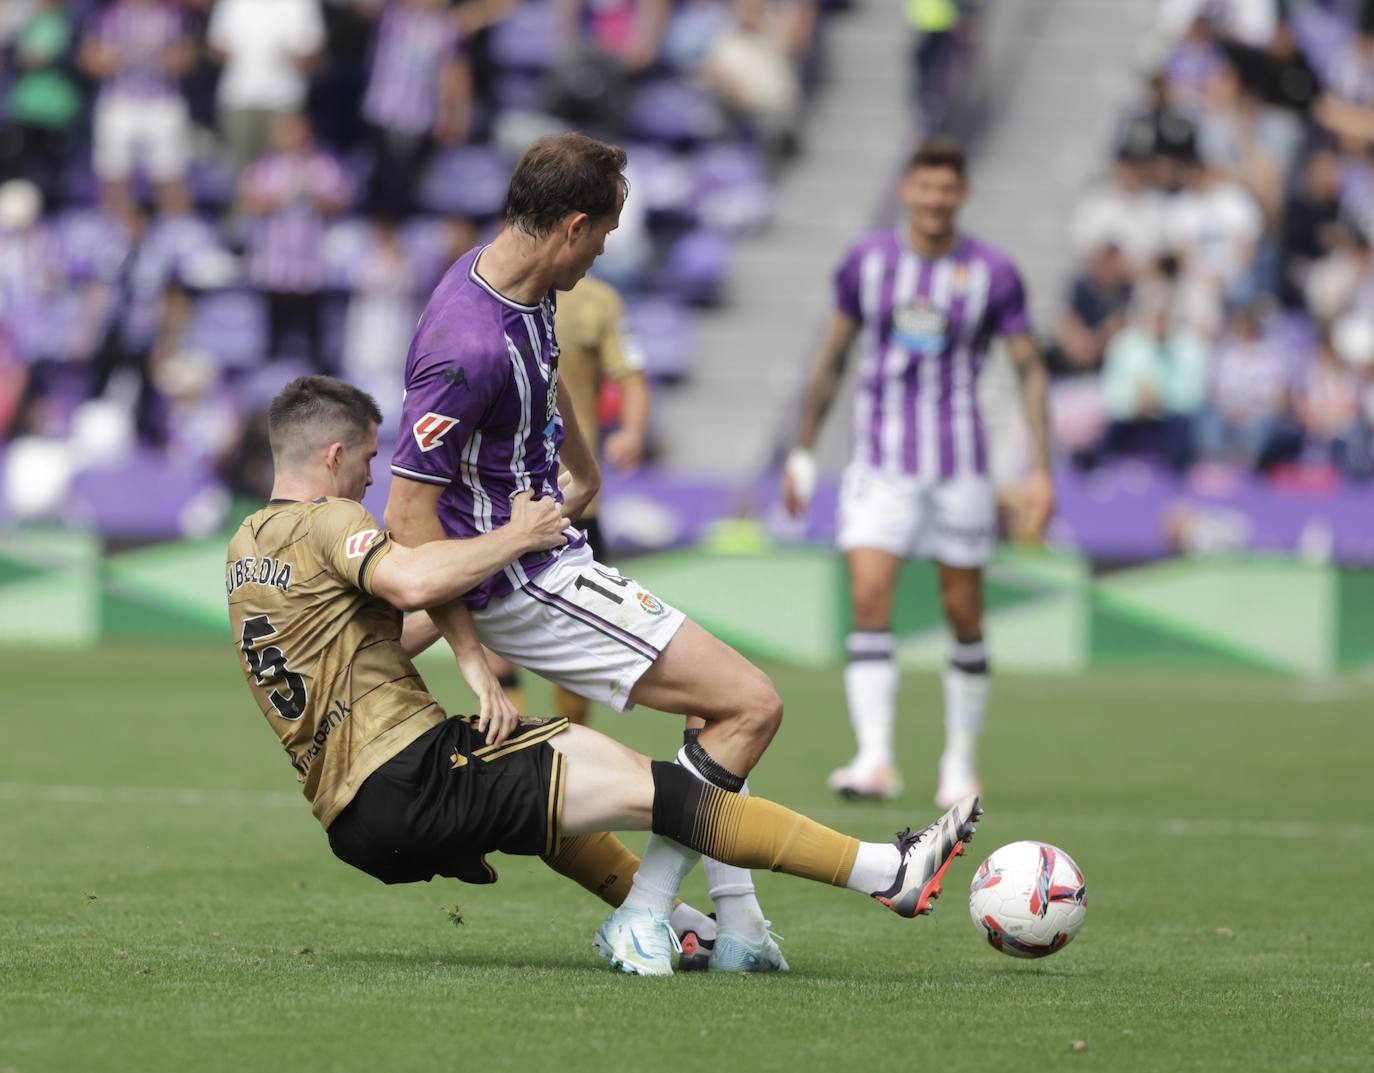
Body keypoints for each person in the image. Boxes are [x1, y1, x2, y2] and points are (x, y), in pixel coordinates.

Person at [228, 374, 982, 976]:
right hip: (409, 772)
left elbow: (377, 635)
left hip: (352, 820)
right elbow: (415, 579)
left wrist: (490, 611)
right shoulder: (331, 521)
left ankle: (681, 925)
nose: (368, 480)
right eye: (364, 461)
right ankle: (886, 869)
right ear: (332, 456)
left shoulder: (245, 548)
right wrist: (515, 536)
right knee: (670, 792)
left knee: (550, 803)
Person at [385, 133, 786, 975]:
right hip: (524, 578)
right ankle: (644, 915)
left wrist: (583, 466)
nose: (607, 247)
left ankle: (740, 927)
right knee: (749, 706)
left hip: (548, 553)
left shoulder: (511, 282)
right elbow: (409, 516)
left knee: (723, 712)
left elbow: (543, 356)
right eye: (604, 231)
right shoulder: (464, 348)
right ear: (572, 227)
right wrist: (472, 657)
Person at [781, 137, 1053, 807]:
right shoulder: (867, 263)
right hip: (881, 464)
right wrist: (803, 452)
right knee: (870, 598)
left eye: (947, 188)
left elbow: (1028, 367)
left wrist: (1041, 468)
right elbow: (833, 358)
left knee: (964, 611)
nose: (935, 199)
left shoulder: (993, 271)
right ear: (907, 189)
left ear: (960, 194)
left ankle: (959, 759)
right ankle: (874, 755)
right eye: (925, 186)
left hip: (960, 467)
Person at [237, 113, 351, 372]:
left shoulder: (322, 165)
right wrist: (284, 196)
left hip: (310, 267)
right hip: (274, 266)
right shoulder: (265, 167)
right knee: (272, 338)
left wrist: (312, 195)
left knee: (314, 340)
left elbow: (340, 202)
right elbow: (250, 202)